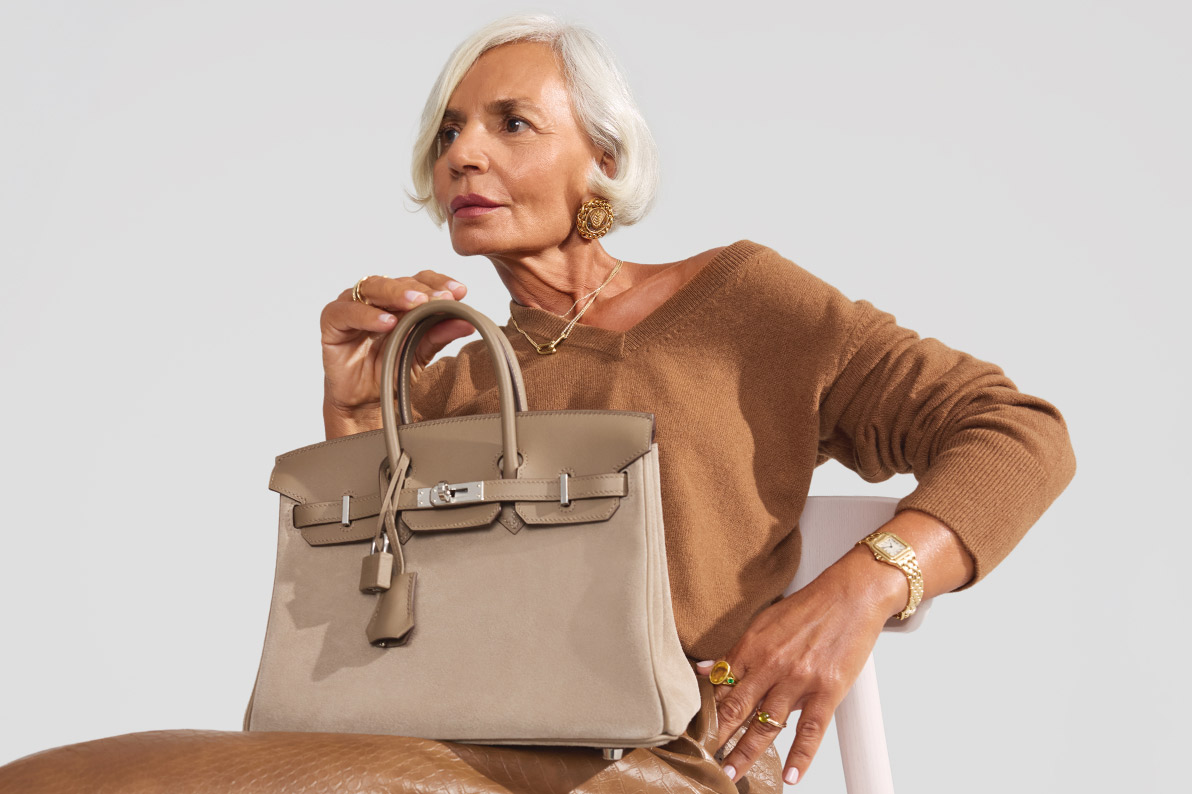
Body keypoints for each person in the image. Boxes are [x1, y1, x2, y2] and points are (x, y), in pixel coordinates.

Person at [0, 12, 1075, 794]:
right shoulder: (454, 367)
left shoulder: (747, 303)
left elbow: (1019, 433)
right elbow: (373, 657)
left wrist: (857, 592)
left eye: (513, 122)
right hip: (445, 753)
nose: (464, 150)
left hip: (659, 767)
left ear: (600, 157)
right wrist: (356, 428)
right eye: (450, 130)